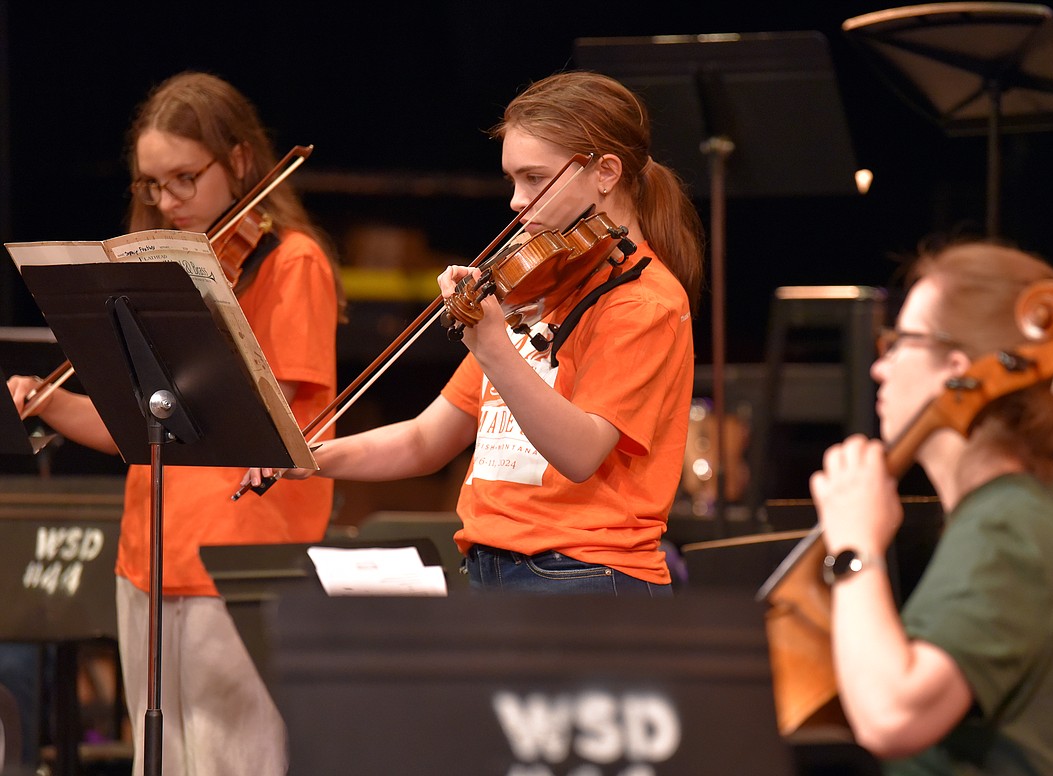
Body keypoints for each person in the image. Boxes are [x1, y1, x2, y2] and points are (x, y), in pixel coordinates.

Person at [244, 69, 705, 595]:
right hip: (494, 570)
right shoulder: (539, 290)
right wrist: (309, 457)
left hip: (585, 577)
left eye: (535, 179)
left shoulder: (643, 303)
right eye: (512, 180)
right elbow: (425, 439)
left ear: (606, 171)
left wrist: (492, 347)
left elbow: (580, 454)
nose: (515, 200)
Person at [8, 71, 344, 776]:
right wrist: (49, 401)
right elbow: (145, 431)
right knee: (158, 764)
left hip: (238, 557)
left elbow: (248, 421)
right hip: (150, 556)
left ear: (242, 162)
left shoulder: (292, 262)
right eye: (152, 186)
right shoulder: (162, 266)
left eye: (186, 179)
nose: (168, 201)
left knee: (234, 761)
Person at [809, 240, 1053, 774]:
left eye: (900, 342)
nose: (880, 367)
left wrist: (854, 546)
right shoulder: (1037, 514)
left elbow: (891, 715)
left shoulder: (1009, 527)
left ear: (956, 368)